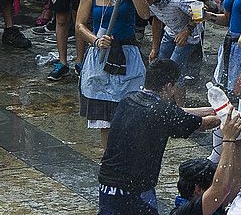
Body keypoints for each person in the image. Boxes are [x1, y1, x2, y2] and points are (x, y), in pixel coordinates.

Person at [96, 58, 223, 215]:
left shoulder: (129, 99)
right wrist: (227, 116)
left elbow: (177, 114)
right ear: (169, 86)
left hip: (107, 183)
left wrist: (212, 109)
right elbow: (204, 124)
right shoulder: (162, 112)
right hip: (135, 189)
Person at [77, 0, 152, 148]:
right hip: (100, 56)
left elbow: (144, 14)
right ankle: (108, 160)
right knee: (105, 119)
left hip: (127, 55)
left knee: (129, 115)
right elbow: (80, 25)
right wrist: (95, 40)